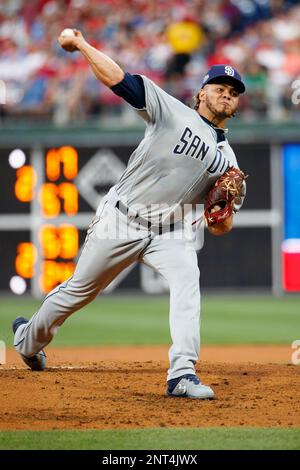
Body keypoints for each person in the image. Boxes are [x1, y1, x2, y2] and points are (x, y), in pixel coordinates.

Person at [13, 29, 246, 400]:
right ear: (201, 92)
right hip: (121, 219)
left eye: (233, 93)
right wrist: (82, 45)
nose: (226, 94)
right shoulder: (172, 110)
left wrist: (220, 216)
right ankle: (28, 340)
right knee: (79, 291)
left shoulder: (230, 163)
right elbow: (119, 80)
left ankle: (182, 372)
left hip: (171, 231)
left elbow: (221, 227)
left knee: (188, 281)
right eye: (219, 87)